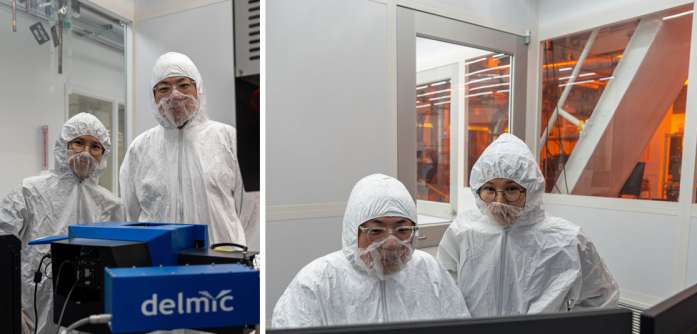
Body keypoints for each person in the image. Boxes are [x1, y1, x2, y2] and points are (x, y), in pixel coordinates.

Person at [437, 133, 619, 317]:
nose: (499, 201)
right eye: (490, 189)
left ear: (531, 189)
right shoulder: (463, 231)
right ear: (478, 190)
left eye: (511, 189)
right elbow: (445, 288)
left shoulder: (566, 240)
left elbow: (601, 300)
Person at [272, 174, 469, 328]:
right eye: (376, 231)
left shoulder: (429, 271)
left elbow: (461, 326)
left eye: (402, 230)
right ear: (353, 232)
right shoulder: (317, 281)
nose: (391, 244)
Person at [0, 113, 123, 334]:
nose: (86, 152)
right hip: (32, 306)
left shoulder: (110, 204)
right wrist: (9, 305)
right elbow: (3, 246)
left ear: (103, 154)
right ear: (62, 145)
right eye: (78, 143)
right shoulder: (29, 191)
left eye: (95, 146)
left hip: (88, 307)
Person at [120, 52, 246, 246]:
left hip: (223, 260)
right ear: (153, 97)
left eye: (184, 85)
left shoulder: (228, 139)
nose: (175, 95)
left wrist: (240, 254)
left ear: (199, 89)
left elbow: (250, 209)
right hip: (159, 264)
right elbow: (130, 213)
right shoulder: (140, 148)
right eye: (164, 88)